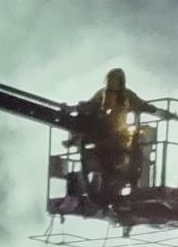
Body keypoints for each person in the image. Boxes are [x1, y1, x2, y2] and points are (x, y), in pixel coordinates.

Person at [66, 68, 170, 212]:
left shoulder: (127, 95)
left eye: (114, 80)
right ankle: (105, 192)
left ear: (121, 81)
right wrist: (71, 109)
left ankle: (123, 187)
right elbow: (88, 106)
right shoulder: (101, 94)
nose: (112, 83)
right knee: (107, 164)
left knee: (130, 159)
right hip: (103, 138)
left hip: (118, 137)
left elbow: (142, 105)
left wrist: (159, 112)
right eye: (110, 79)